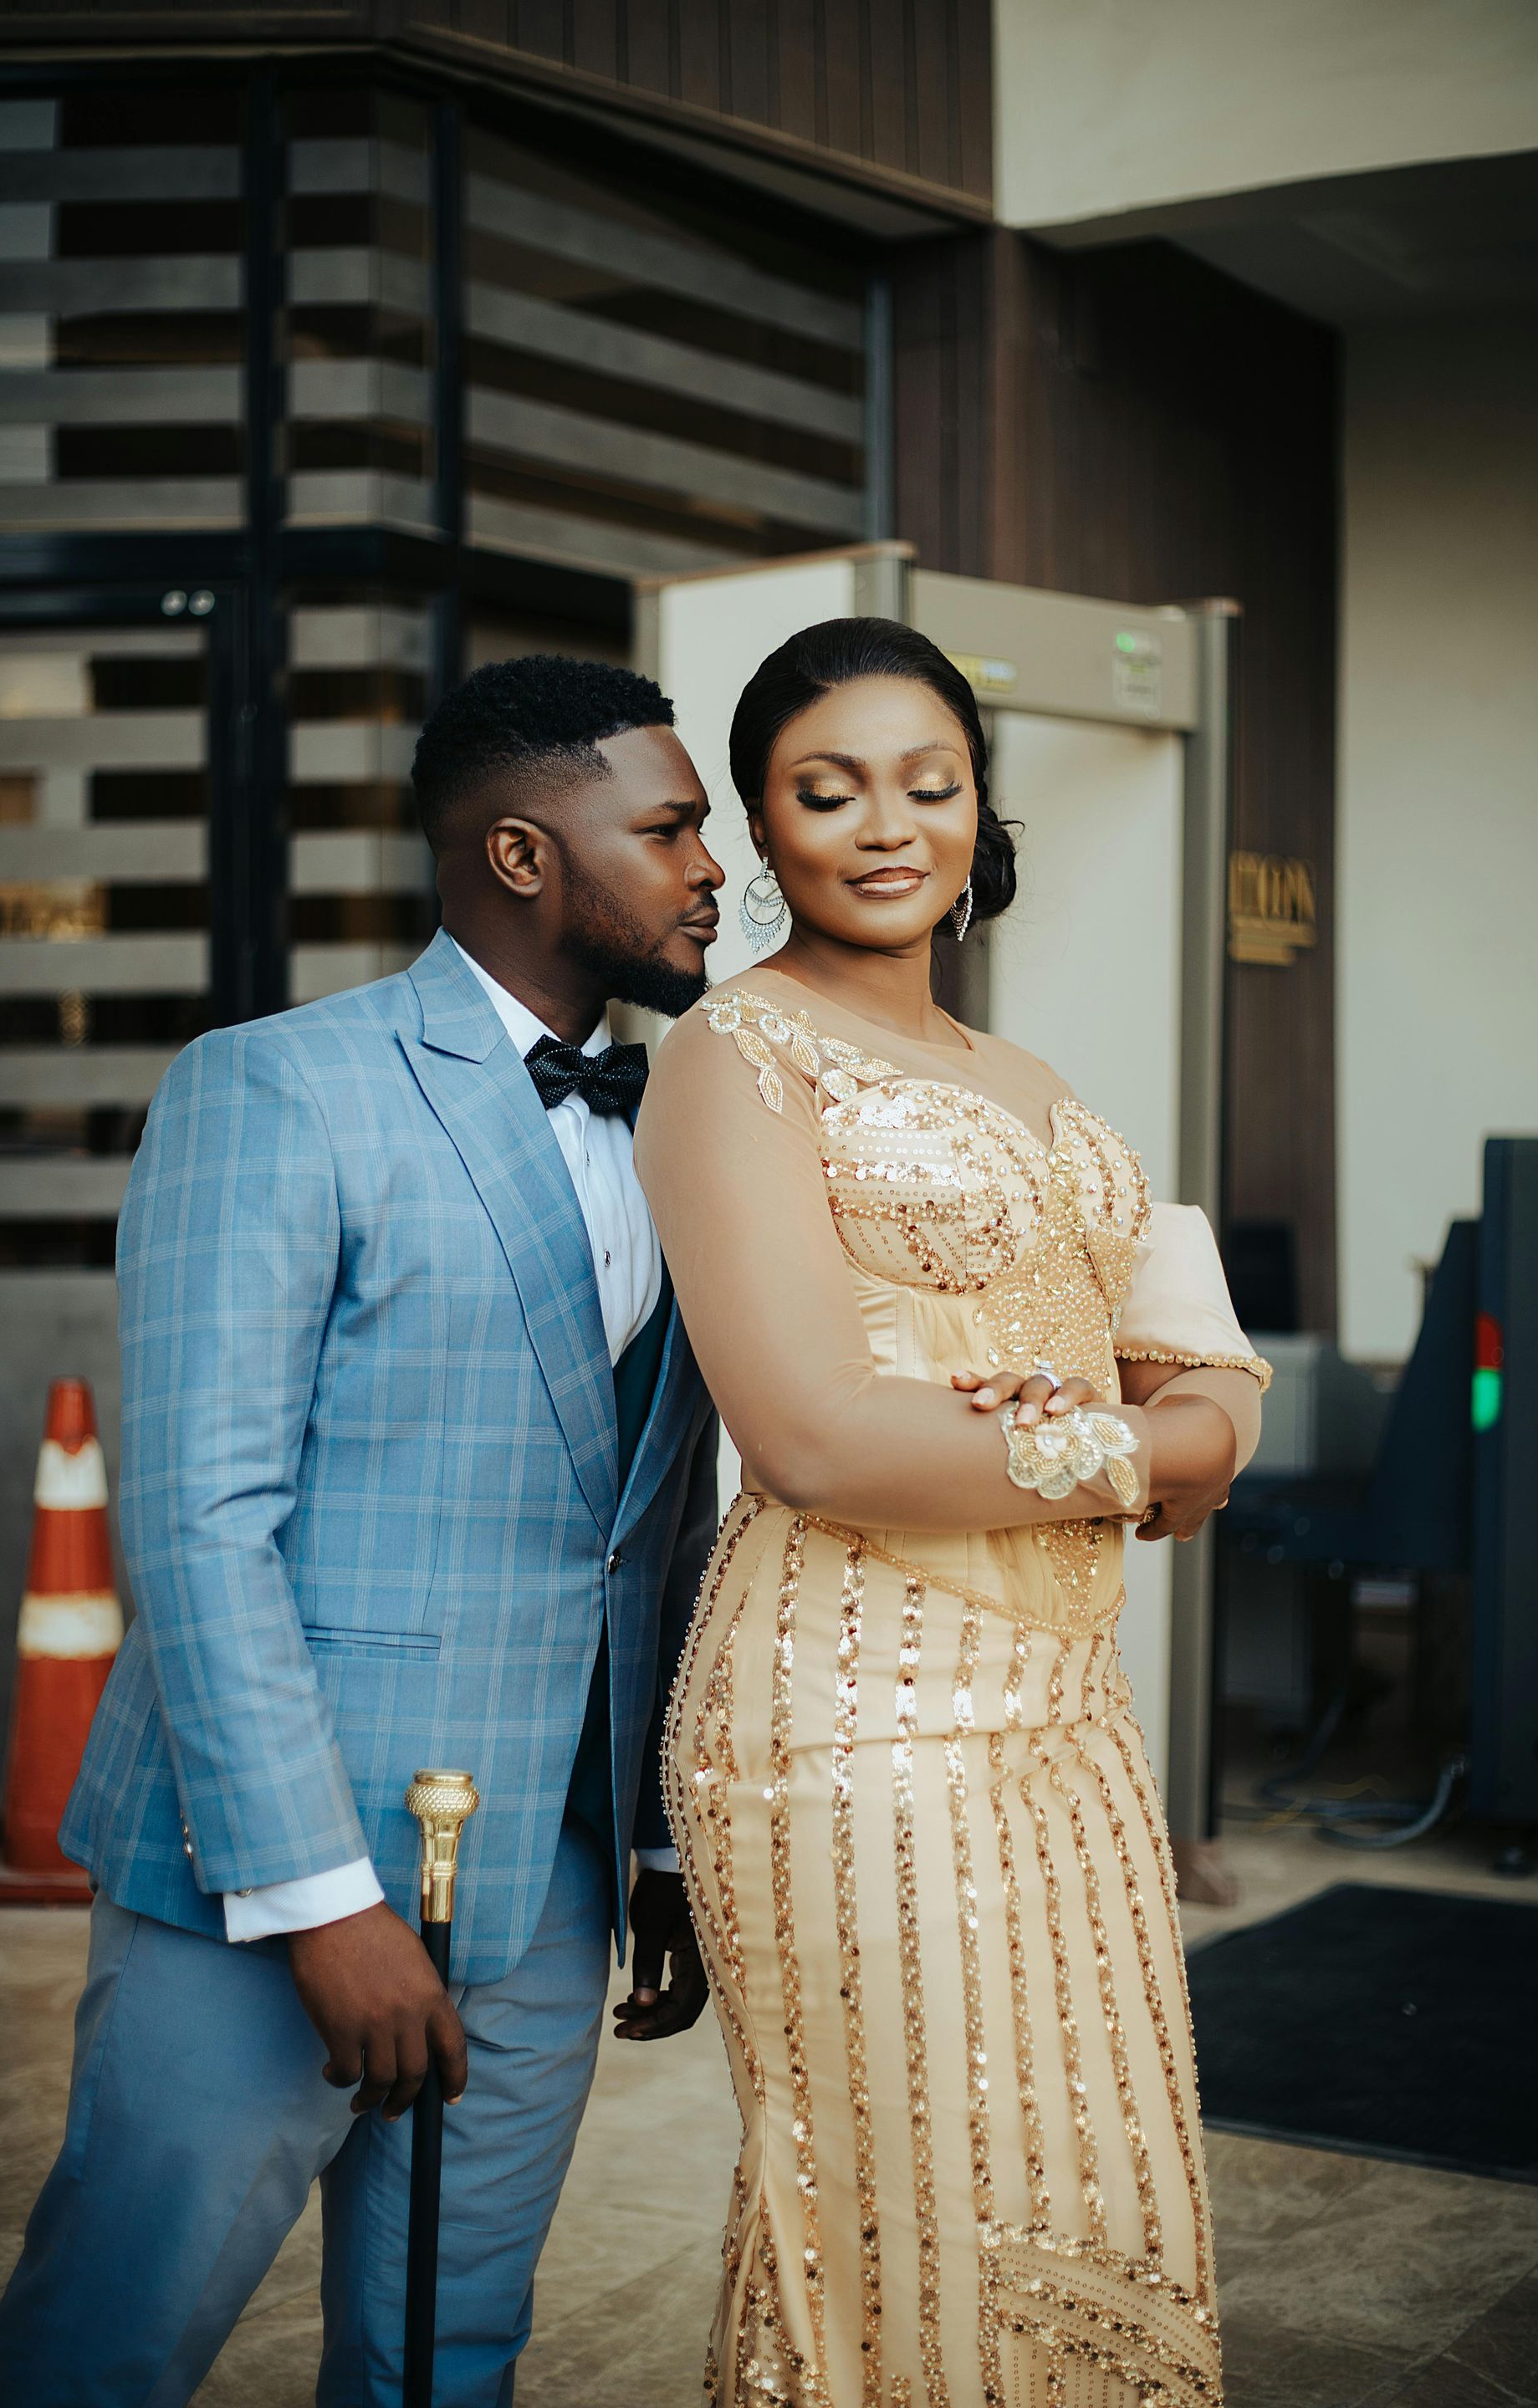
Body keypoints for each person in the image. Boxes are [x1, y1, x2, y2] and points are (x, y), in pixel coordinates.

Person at [0, 656, 724, 2408]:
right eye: (675, 827)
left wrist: (665, 1845)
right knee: (114, 2338)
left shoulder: (693, 1121)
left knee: (446, 2352)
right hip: (268, 1865)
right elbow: (201, 1519)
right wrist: (320, 1903)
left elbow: (667, 1519)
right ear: (526, 857)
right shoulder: (276, 1087)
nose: (713, 871)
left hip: (553, 1865)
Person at [633, 617, 1270, 2408]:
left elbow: (1192, 1356)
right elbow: (821, 1438)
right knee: (912, 2212)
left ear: (981, 806)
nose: (885, 825)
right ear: (765, 830)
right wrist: (1148, 1455)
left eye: (929, 782)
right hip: (856, 1715)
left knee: (1093, 2180)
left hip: (1065, 1712)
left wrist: (1172, 1427)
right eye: (827, 791)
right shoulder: (729, 1061)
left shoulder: (1033, 1086)